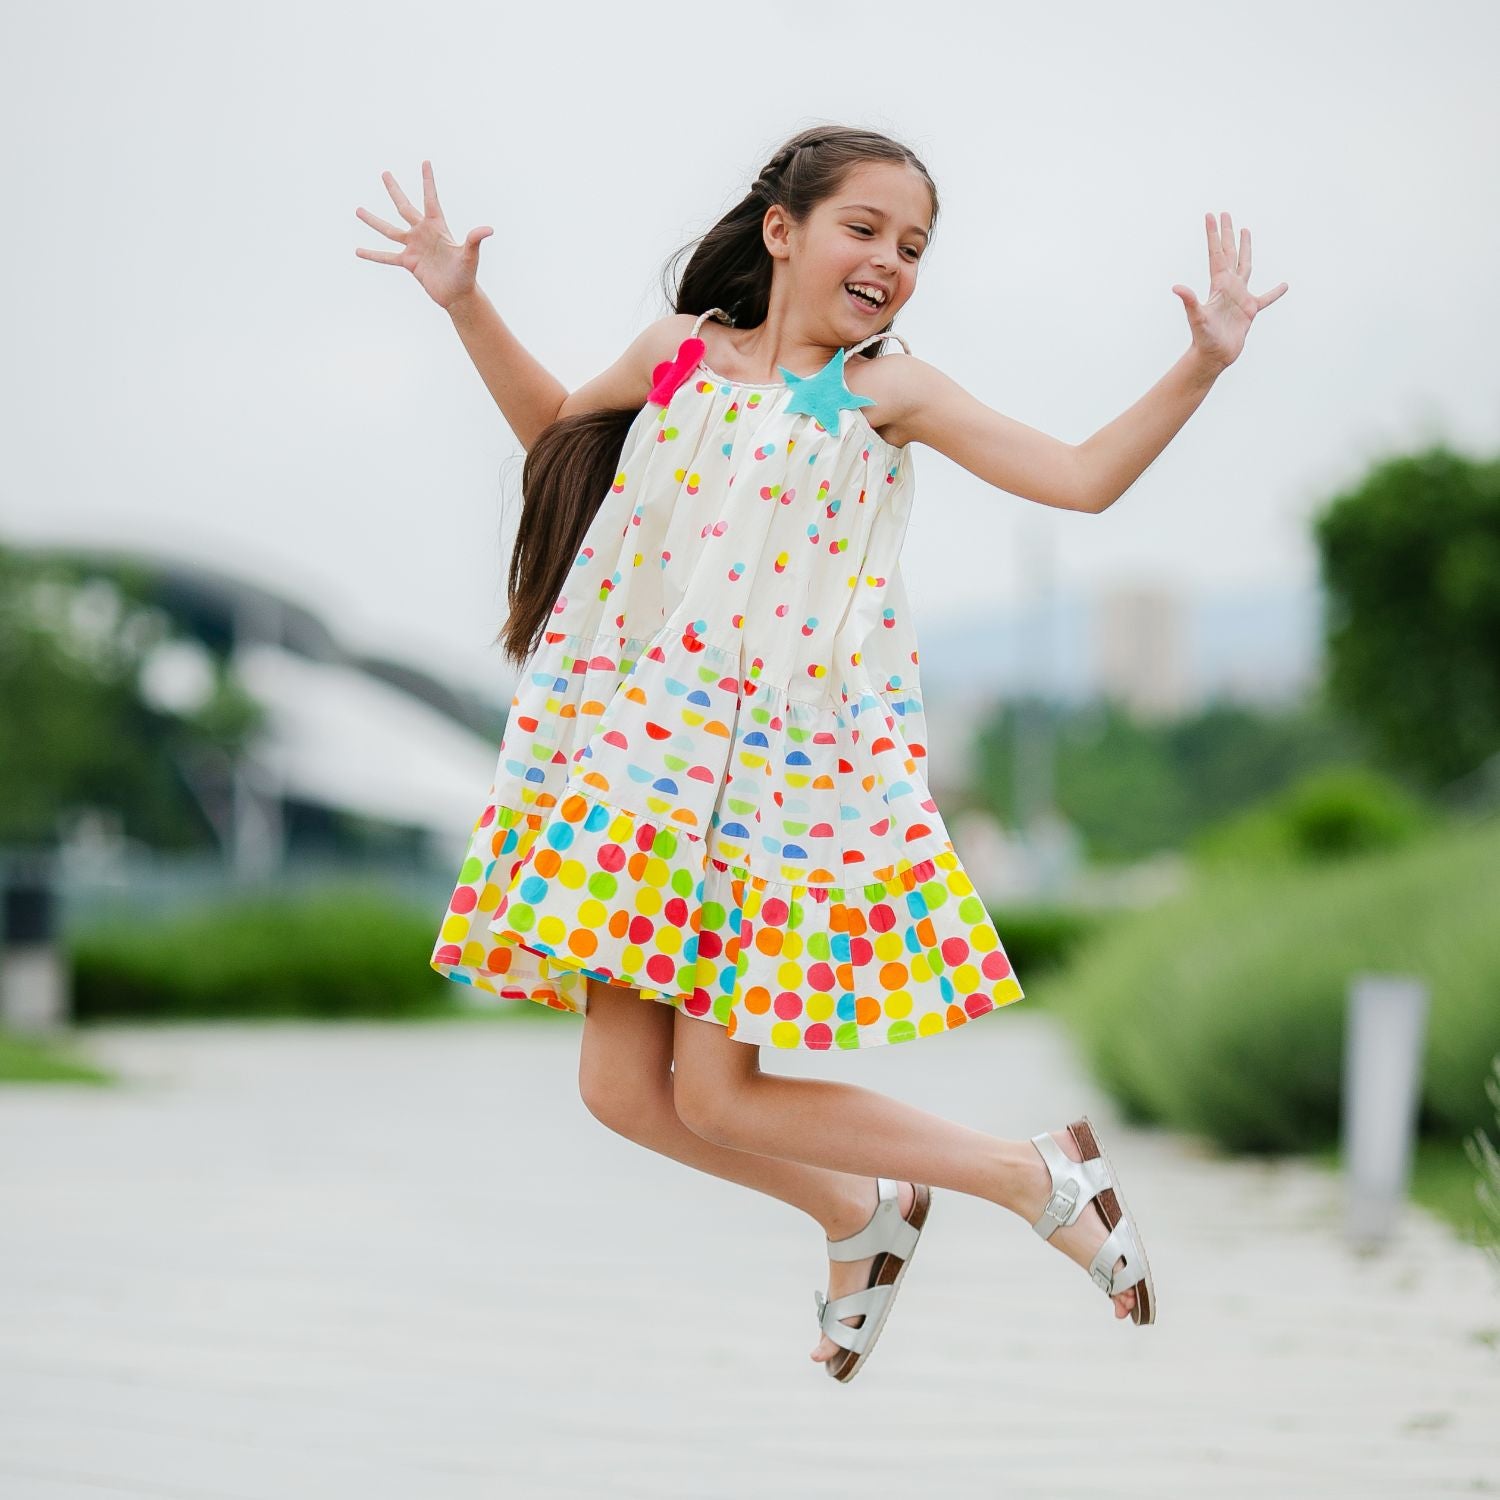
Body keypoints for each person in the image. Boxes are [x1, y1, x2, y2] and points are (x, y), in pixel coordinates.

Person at [355, 126, 1286, 1382]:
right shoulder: (680, 353)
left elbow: (1077, 480)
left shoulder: (883, 392)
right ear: (782, 230)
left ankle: (1033, 1176)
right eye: (866, 230)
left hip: (760, 780)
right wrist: (467, 304)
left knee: (723, 1094)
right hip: (636, 758)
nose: (892, 262)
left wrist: (1205, 365)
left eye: (914, 246)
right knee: (624, 1093)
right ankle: (864, 1211)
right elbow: (557, 439)